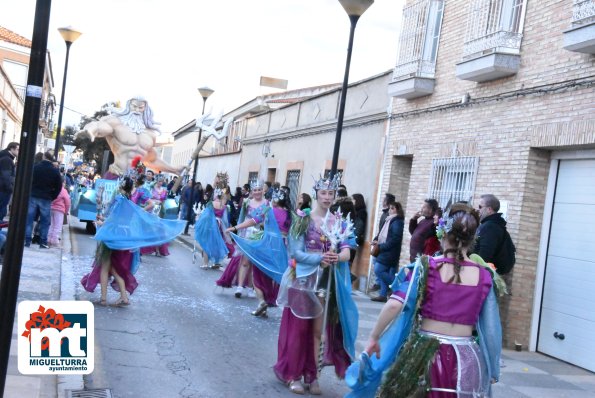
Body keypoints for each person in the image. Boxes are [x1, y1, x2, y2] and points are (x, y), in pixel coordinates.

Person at [346, 203, 504, 397]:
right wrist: (493, 368)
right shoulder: (485, 275)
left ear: (441, 233)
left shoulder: (425, 268)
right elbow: (491, 328)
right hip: (466, 358)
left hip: (425, 353)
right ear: (473, 237)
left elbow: (395, 304)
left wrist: (374, 337)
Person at [274, 175, 358, 395]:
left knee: (318, 331)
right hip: (303, 279)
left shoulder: (339, 221)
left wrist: (335, 258)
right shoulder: (303, 218)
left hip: (326, 281)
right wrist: (320, 258)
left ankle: (313, 375)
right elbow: (295, 252)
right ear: (316, 195)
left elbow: (347, 251)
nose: (327, 197)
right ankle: (293, 374)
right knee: (299, 329)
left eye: (331, 193)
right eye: (323, 193)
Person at [76, 97, 185, 178]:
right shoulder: (116, 123)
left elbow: (152, 160)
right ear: (128, 106)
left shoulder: (149, 134)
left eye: (140, 107)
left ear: (145, 109)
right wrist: (90, 129)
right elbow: (100, 126)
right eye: (134, 106)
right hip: (115, 175)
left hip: (133, 181)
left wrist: (174, 170)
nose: (137, 110)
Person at [230, 186, 292, 316]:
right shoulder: (290, 214)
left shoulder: (268, 210)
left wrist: (235, 227)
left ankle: (262, 301)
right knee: (274, 274)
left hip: (268, 244)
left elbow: (252, 221)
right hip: (282, 247)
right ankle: (270, 300)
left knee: (258, 273)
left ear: (274, 200)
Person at [220, 180, 269, 298]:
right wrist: (236, 232)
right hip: (246, 234)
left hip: (259, 234)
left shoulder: (267, 204)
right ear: (252, 191)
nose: (257, 192)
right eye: (255, 190)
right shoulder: (247, 202)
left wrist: (265, 229)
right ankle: (240, 287)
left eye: (259, 189)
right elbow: (241, 218)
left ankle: (251, 287)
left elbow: (268, 220)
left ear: (263, 190)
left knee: (255, 262)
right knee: (245, 261)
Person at [25, 152, 63, 248]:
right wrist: (52, 196)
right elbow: (59, 186)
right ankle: (42, 242)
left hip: (33, 195)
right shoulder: (54, 171)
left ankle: (27, 240)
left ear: (43, 157)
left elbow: (28, 180)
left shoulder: (35, 168)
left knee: (29, 219)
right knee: (45, 221)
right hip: (46, 197)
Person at [195, 172, 233, 269]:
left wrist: (212, 203)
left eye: (219, 178)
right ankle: (210, 262)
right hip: (208, 219)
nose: (216, 180)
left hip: (216, 221)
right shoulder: (215, 190)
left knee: (212, 241)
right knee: (209, 241)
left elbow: (221, 206)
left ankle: (211, 262)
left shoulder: (224, 192)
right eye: (217, 178)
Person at [370, 201, 404, 302]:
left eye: (392, 208)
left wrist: (382, 246)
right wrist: (376, 239)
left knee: (378, 270)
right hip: (383, 249)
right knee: (381, 271)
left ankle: (398, 287)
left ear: (398, 210)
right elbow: (381, 233)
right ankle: (383, 294)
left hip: (389, 251)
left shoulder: (397, 222)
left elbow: (395, 239)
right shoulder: (389, 220)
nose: (390, 210)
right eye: (390, 208)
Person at [475, 194, 513, 276]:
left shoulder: (490, 227)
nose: (478, 210)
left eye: (480, 206)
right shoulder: (494, 224)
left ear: (489, 209)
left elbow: (484, 256)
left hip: (487, 274)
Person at [48, 181, 71, 248]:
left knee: (51, 225)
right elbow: (67, 202)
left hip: (51, 208)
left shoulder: (53, 189)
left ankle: (49, 239)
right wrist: (66, 212)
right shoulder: (63, 191)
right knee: (58, 226)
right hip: (59, 210)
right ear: (63, 183)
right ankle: (55, 241)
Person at [0, 142, 19, 221]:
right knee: (2, 211)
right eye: (18, 149)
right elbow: (6, 176)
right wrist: (11, 188)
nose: (19, 151)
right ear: (11, 149)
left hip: (3, 189)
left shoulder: (5, 157)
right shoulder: (7, 160)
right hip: (3, 190)